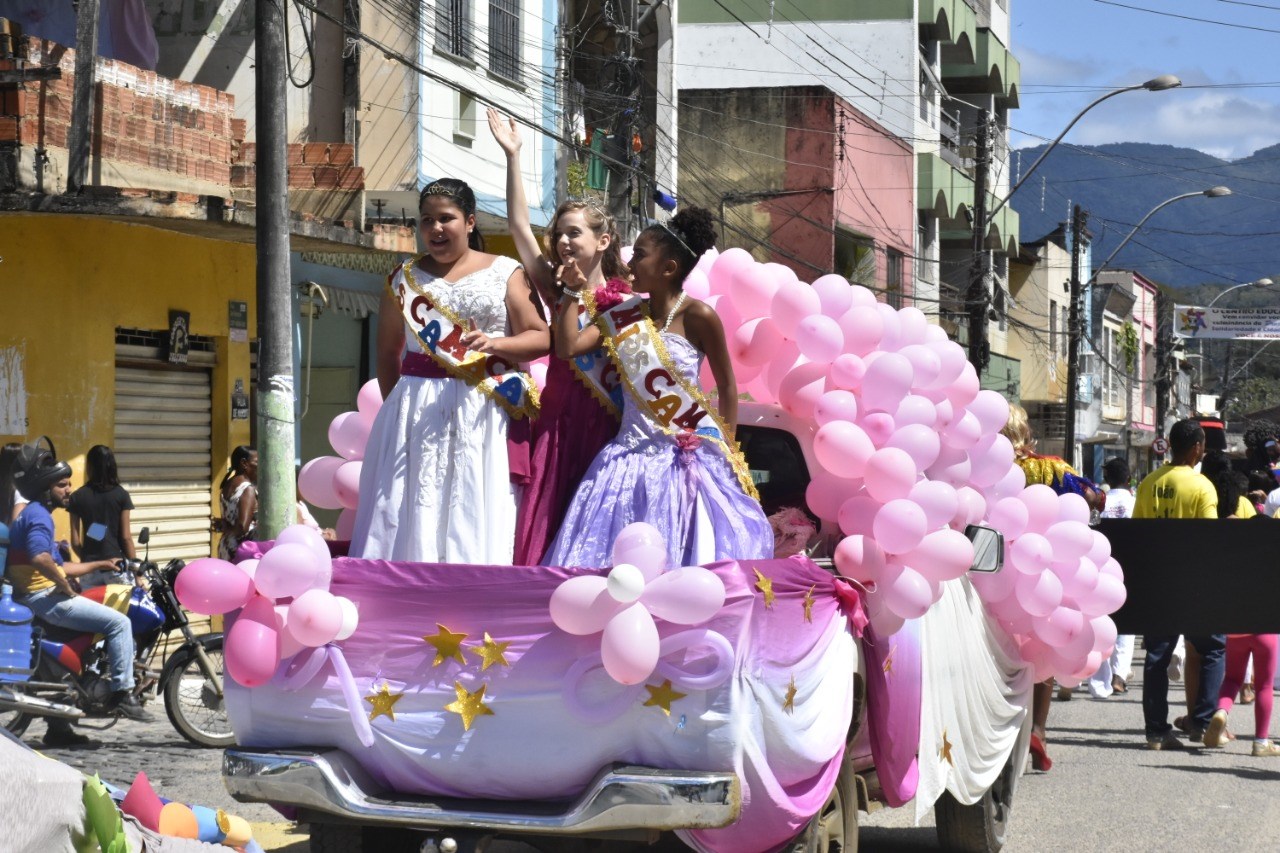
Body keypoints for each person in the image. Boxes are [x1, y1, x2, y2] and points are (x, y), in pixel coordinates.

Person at [544, 206, 773, 569]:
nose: (629, 263)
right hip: (627, 459)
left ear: (668, 268)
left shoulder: (699, 316)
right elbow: (567, 347)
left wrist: (727, 449)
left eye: (639, 255)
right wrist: (572, 292)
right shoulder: (624, 314)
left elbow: (727, 386)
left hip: (683, 462)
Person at [350, 178, 550, 564]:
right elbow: (388, 352)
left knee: (472, 498)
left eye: (446, 218)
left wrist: (495, 345)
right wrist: (399, 413)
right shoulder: (403, 279)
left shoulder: (505, 271)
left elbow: (541, 337)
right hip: (416, 410)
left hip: (483, 408)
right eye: (427, 220)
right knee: (410, 504)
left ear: (470, 222)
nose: (436, 228)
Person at [489, 109, 629, 564]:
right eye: (559, 234)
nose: (564, 241)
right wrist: (513, 156)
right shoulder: (555, 287)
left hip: (605, 423)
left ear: (602, 241)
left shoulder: (625, 301)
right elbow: (518, 227)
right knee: (551, 516)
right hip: (558, 420)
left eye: (574, 232)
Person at [6, 441, 153, 745]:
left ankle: (59, 729)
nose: (69, 490)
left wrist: (99, 563)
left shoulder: (34, 513)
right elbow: (40, 558)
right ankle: (122, 692)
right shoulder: (40, 516)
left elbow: (61, 563)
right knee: (119, 623)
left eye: (69, 483)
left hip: (39, 593)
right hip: (44, 598)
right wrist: (63, 586)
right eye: (62, 485)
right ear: (46, 488)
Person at [1000, 403, 1103, 771]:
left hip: (993, 569)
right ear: (1025, 432)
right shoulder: (1050, 467)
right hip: (1042, 570)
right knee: (1042, 647)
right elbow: (1092, 495)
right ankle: (1038, 730)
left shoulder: (988, 466)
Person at [1134, 419, 1225, 751]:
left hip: (1158, 581)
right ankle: (1201, 722)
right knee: (1213, 648)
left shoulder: (1148, 483)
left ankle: (1156, 732)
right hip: (1194, 582)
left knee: (1156, 657)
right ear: (1197, 447)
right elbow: (1210, 540)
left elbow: (1137, 535)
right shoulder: (1202, 487)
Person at [1088, 456, 1135, 699]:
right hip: (1130, 565)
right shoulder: (1135, 502)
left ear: (1106, 477)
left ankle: (1101, 675)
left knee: (1102, 619)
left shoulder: (1100, 503)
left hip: (1103, 565)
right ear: (1129, 478)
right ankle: (1119, 675)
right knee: (1127, 622)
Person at [68, 445, 136, 589]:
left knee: (91, 604)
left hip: (89, 568)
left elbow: (75, 541)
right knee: (121, 604)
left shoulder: (77, 497)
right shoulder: (121, 495)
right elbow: (126, 538)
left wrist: (88, 560)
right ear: (112, 465)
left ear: (89, 466)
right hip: (116, 566)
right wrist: (137, 572)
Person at [212, 446, 257, 561]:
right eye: (257, 462)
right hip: (240, 550)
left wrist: (225, 526)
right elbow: (242, 527)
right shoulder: (247, 489)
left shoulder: (227, 485)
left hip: (225, 545)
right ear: (244, 463)